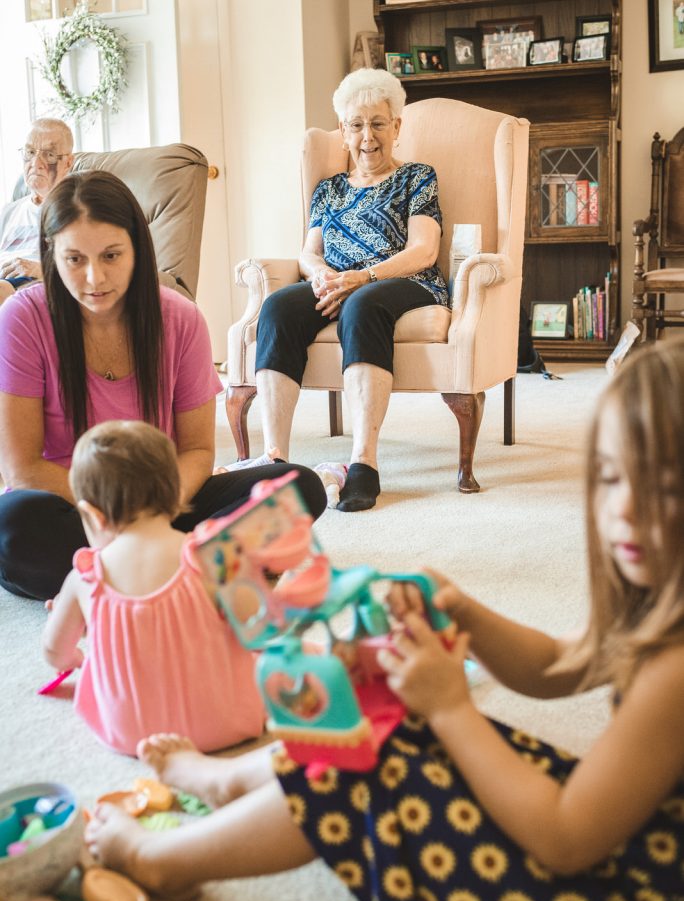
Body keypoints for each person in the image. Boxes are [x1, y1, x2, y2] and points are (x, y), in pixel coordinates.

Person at [85, 341, 684, 901]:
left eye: (664, 488)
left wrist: (453, 707)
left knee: (374, 754)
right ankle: (230, 782)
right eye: (610, 477)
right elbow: (558, 666)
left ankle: (167, 860)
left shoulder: (677, 672)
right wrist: (461, 607)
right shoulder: (662, 601)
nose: (626, 510)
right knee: (391, 716)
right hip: (626, 862)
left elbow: (566, 840)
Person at [0, 170, 326, 602]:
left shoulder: (180, 318)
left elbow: (196, 451)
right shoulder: (23, 318)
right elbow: (23, 469)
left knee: (299, 488)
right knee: (13, 524)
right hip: (76, 510)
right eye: (75, 259)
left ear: (138, 249)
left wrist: (152, 514)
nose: (95, 278)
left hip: (165, 503)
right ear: (51, 256)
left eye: (111, 256)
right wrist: (119, 520)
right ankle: (190, 570)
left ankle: (132, 575)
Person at [254, 68, 449, 513]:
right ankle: (274, 459)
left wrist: (362, 276)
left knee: (362, 304)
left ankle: (364, 463)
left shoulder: (417, 177)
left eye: (378, 123)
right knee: (280, 306)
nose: (367, 137)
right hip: (339, 283)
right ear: (342, 131)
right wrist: (321, 273)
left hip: (402, 282)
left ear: (396, 127)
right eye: (356, 125)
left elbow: (424, 249)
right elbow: (309, 252)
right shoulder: (328, 190)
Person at [42, 420, 265, 756]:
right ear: (176, 491)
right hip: (227, 722)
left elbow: (53, 652)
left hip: (131, 735)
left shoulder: (85, 578)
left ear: (92, 515)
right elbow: (259, 624)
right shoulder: (208, 558)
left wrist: (76, 655)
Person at [0, 118, 74, 306]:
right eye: (30, 152)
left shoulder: (77, 209)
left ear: (68, 163)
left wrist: (42, 269)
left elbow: (85, 266)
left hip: (33, 286)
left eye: (49, 155)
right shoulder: (9, 212)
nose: (36, 163)